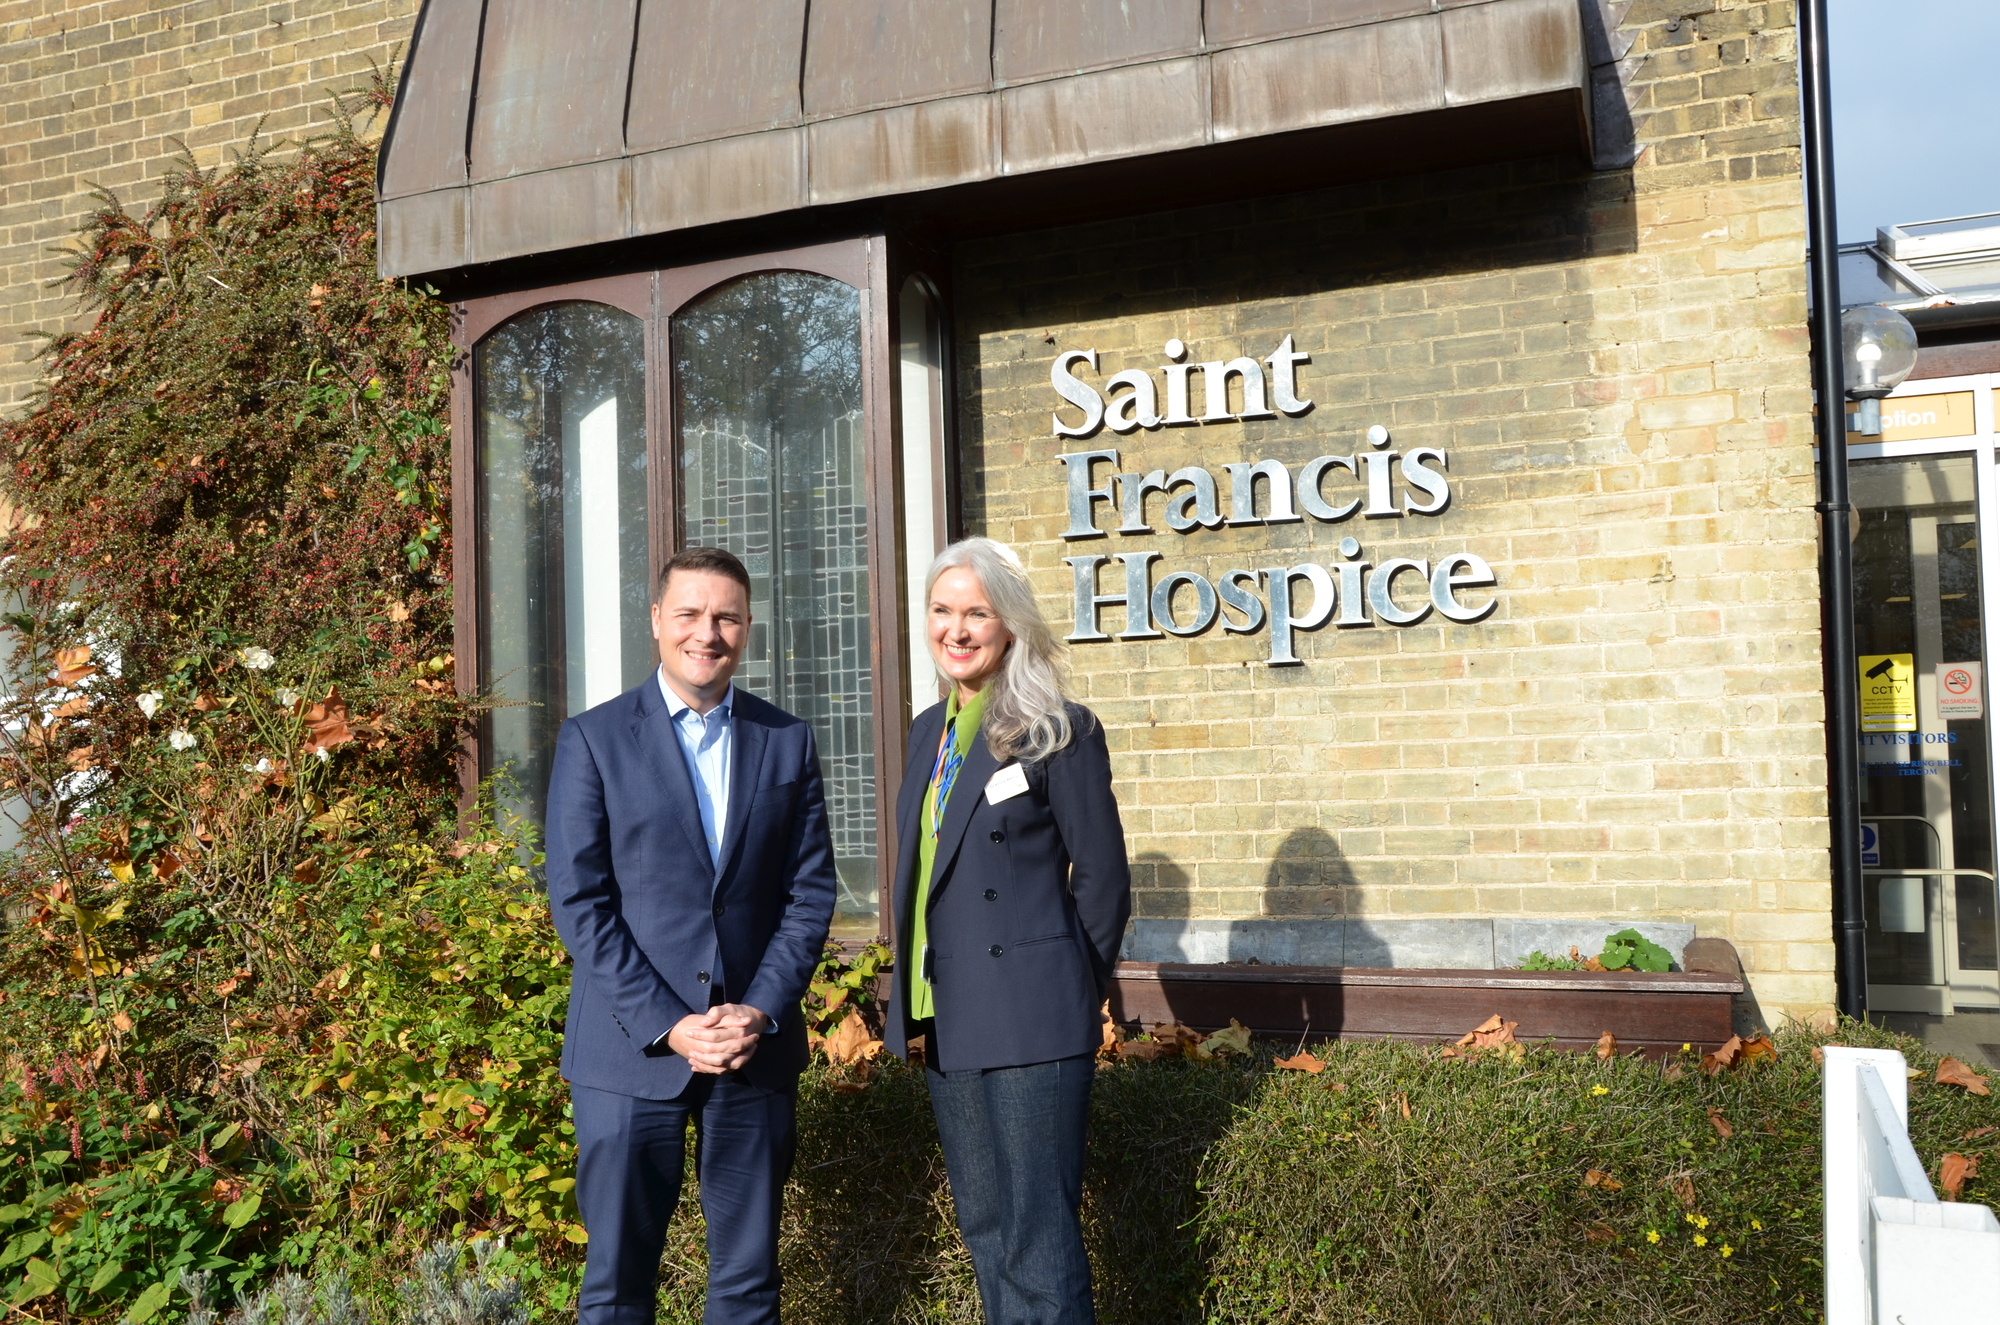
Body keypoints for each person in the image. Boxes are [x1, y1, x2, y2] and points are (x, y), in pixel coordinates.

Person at [545, 545, 837, 1325]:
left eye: (727, 616)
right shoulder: (594, 739)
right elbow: (580, 901)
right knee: (615, 1286)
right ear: (656, 622)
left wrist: (760, 1008)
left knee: (748, 1287)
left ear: (746, 628)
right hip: (628, 1051)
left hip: (752, 1050)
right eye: (690, 614)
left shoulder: (787, 741)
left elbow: (808, 895)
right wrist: (670, 1024)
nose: (707, 632)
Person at [885, 536, 1132, 1325]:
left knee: (1039, 1239)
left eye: (977, 612)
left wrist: (1065, 983)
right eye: (942, 610)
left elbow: (1104, 880)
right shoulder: (927, 733)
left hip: (1032, 1016)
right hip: (951, 1016)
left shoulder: (1060, 727)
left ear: (1011, 624)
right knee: (987, 1232)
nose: (956, 629)